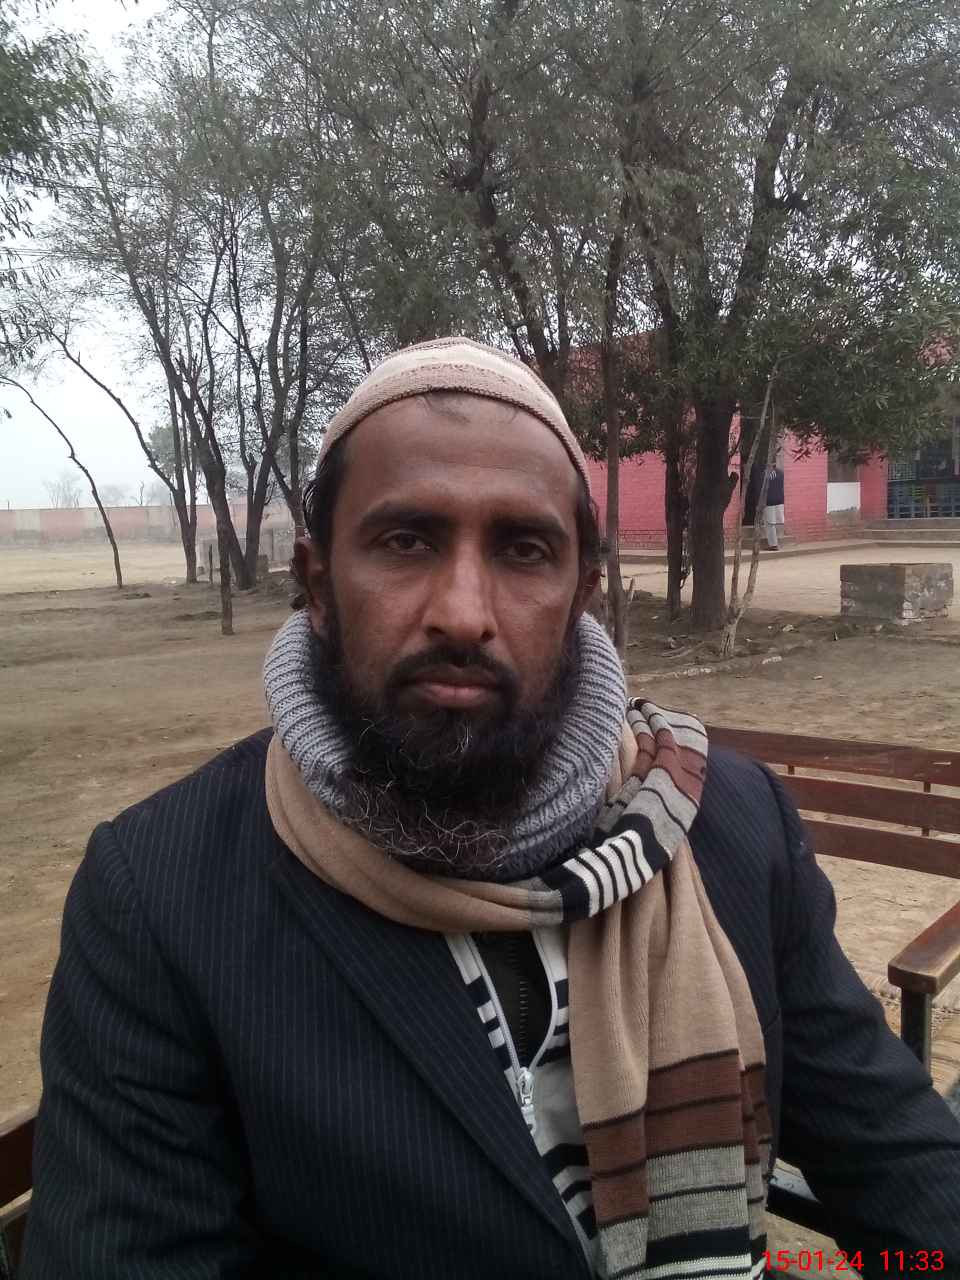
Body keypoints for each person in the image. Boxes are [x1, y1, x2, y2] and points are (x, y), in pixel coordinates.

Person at [22, 339, 960, 1280]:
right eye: (406, 541)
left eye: (523, 550)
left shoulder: (732, 824)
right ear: (316, 582)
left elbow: (896, 1158)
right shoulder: (163, 898)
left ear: (582, 593)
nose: (464, 613)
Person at [763, 464, 786, 550]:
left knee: (770, 523)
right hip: (780, 500)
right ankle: (777, 541)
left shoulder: (767, 473)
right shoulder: (781, 473)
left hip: (769, 501)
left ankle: (773, 545)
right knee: (778, 521)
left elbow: (764, 487)